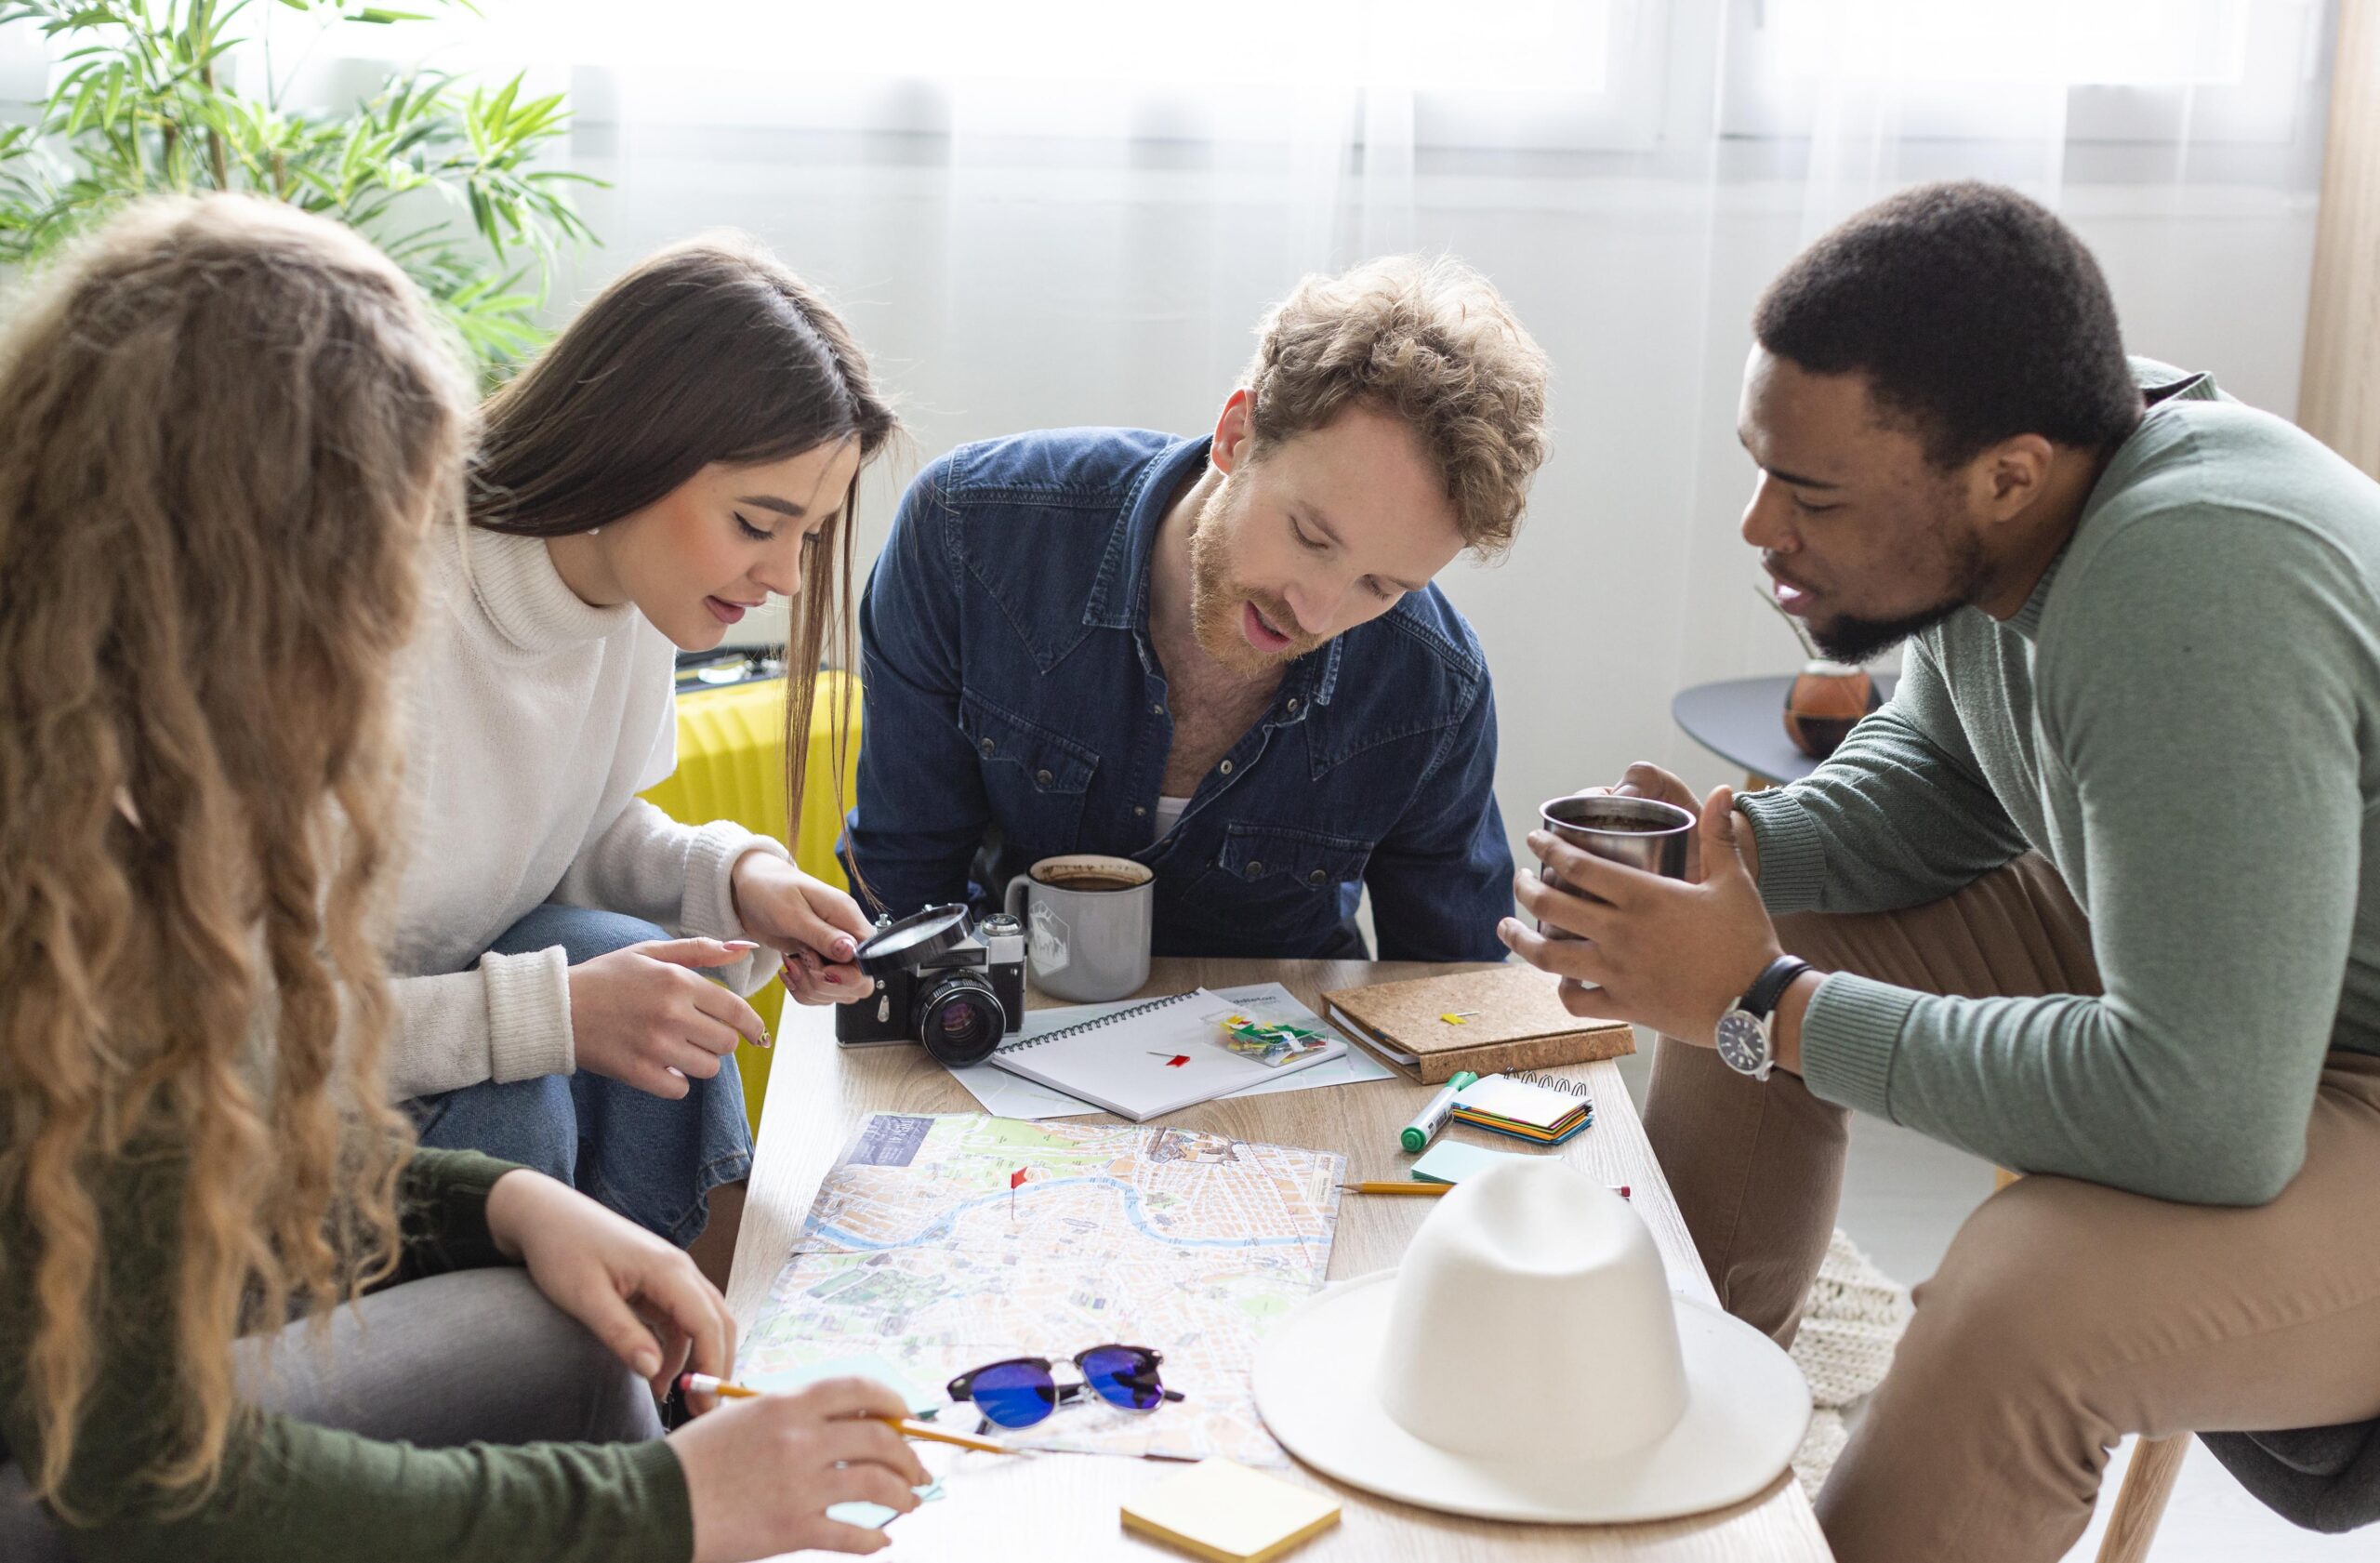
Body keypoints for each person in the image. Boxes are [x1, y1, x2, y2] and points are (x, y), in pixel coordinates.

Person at [0, 196, 928, 1561]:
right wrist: (660, 1509)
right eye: (376, 568)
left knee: (560, 1293)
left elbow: (169, 1153)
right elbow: (150, 1470)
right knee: (557, 1285)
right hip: (77, 1463)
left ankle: (688, 1371)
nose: (389, 623)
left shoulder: (108, 782)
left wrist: (489, 1201)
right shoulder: (88, 861)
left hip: (114, 1341)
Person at [1502, 181, 2380, 1561]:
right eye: (1759, 466)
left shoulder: (2195, 580)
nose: (1757, 527)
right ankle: (1657, 1452)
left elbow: (2212, 1115)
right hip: (2251, 1000)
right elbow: (1939, 788)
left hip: (2316, 1081)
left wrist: (1764, 1002)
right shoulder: (2042, 485)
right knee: (1763, 911)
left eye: (1811, 494)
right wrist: (1728, 869)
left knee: (2025, 1301)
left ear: (2008, 475)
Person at [389, 235, 896, 1277]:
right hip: (277, 1105)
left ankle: (695, 1357)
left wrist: (732, 879)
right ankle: (588, 1406)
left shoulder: (633, 600)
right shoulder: (390, 615)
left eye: (808, 537)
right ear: (634, 445)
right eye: (761, 523)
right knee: (530, 1083)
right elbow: (232, 1032)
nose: (789, 581)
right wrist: (550, 1014)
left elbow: (563, 824)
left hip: (423, 1027)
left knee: (635, 966)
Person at [841, 255, 1550, 960]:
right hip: (1012, 1019)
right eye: (1310, 537)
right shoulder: (970, 536)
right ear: (1236, 435)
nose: (1316, 612)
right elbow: (904, 896)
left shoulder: (1434, 687)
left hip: (1292, 1051)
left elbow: (1455, 991)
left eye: (1381, 586)